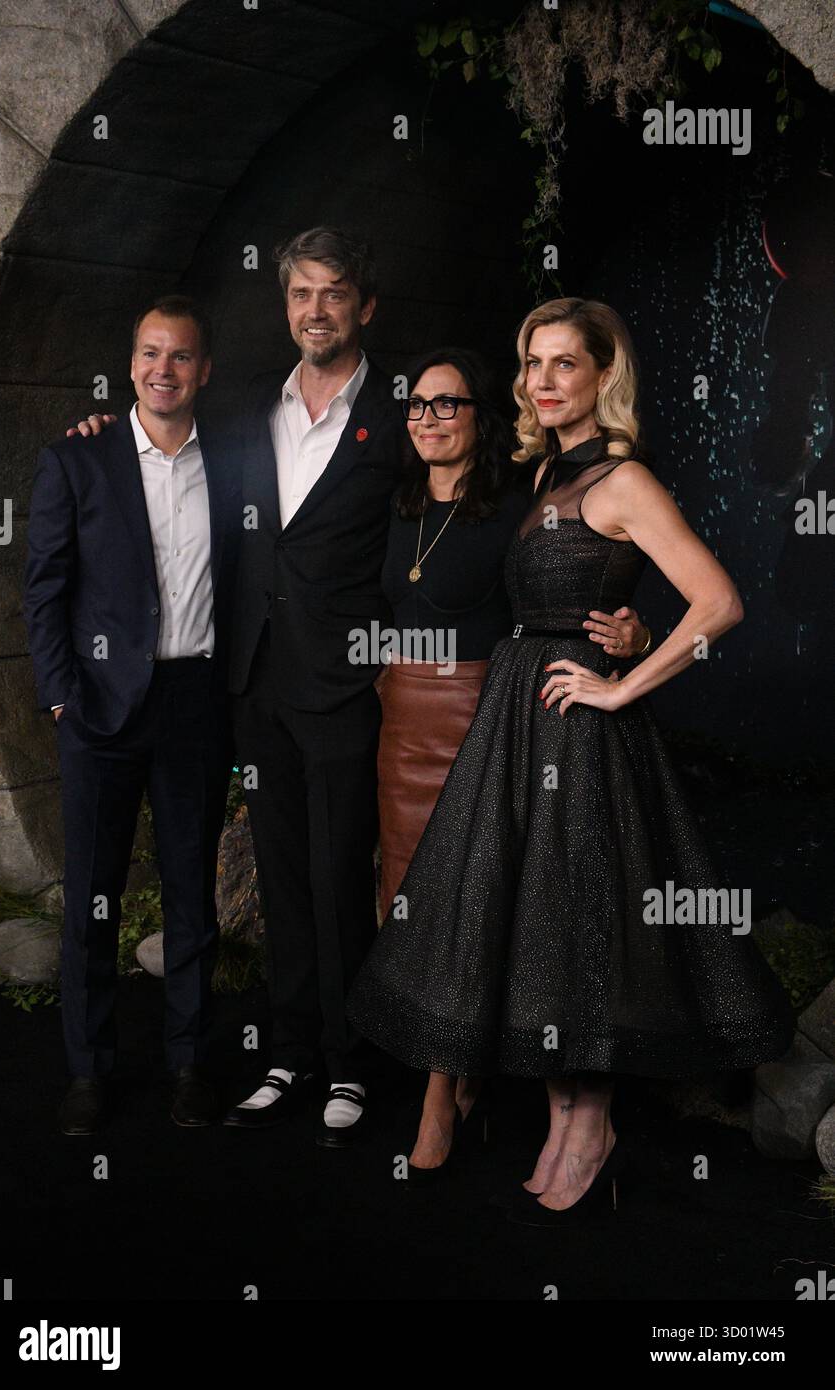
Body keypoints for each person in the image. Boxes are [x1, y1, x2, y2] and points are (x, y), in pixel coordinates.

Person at [347, 297, 795, 1218]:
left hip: (580, 724)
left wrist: (626, 677)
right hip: (521, 713)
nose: (542, 382)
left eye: (562, 365)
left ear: (602, 376)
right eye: (532, 364)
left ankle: (591, 1122)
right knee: (543, 914)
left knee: (583, 913)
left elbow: (718, 602)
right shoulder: (544, 470)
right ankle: (562, 1119)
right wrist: (623, 633)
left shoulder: (621, 478)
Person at [377, 346, 648, 1174]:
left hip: (490, 716)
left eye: (447, 404)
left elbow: (568, 587)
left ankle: (464, 1100)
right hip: (404, 720)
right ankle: (452, 1082)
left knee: (481, 895)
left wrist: (632, 633)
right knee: (411, 898)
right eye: (417, 406)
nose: (429, 418)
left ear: (479, 416)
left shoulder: (516, 501)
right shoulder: (397, 502)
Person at [25, 295, 242, 1135]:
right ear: (131, 365)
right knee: (92, 897)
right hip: (99, 707)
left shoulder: (236, 465)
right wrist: (57, 693)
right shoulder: (77, 459)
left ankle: (189, 1063)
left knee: (192, 893)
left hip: (194, 704)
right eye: (150, 354)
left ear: (204, 371)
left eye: (180, 356)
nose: (163, 370)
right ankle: (89, 1070)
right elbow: (43, 589)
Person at [223, 228, 405, 1146]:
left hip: (342, 684)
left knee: (341, 876)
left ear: (362, 307)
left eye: (334, 292)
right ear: (285, 304)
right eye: (301, 293)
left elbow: (435, 537)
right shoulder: (255, 408)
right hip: (258, 681)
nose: (316, 309)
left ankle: (350, 1063)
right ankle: (288, 1051)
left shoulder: (404, 415)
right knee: (284, 876)